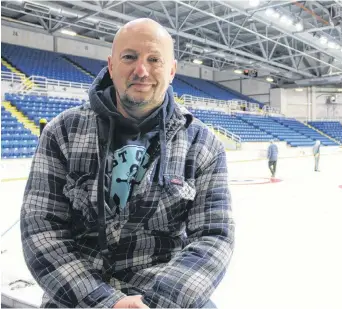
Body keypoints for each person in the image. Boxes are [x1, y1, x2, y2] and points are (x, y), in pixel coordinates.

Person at [20, 18, 234, 309]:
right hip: (78, 293)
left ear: (171, 71)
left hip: (166, 291)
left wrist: (158, 302)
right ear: (111, 65)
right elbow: (41, 228)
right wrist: (104, 302)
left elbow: (214, 236)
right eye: (129, 57)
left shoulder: (204, 144)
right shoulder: (63, 132)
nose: (141, 70)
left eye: (154, 59)